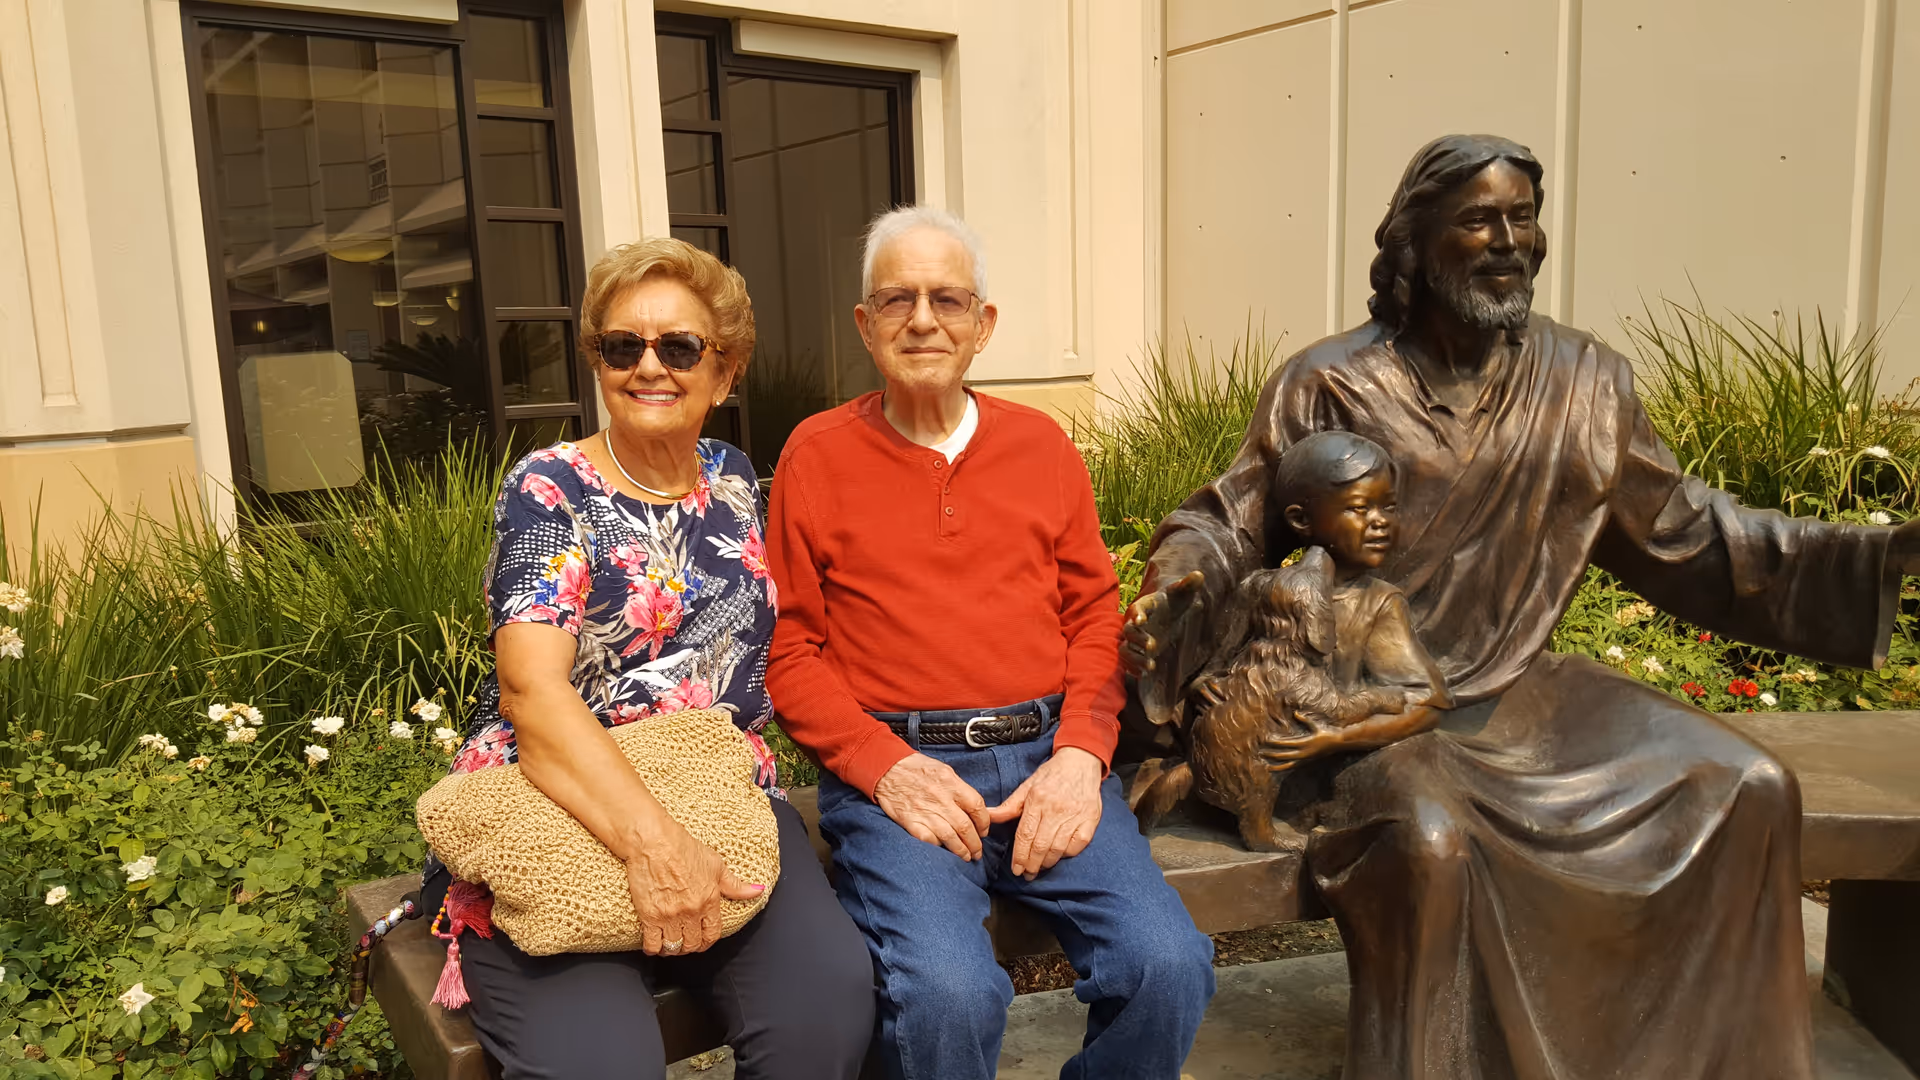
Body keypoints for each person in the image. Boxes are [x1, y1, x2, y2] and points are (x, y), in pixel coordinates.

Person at [1125, 133, 1920, 1080]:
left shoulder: (1586, 382)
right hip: (1375, 709)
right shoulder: (1329, 381)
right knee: (1429, 843)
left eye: (1522, 218)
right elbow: (1233, 517)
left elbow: (1689, 535)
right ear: (1415, 245)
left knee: (1750, 786)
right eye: (1477, 220)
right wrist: (1180, 581)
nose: (1508, 240)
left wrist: (1878, 554)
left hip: (1524, 693)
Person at [765, 206, 1215, 1080]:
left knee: (1167, 964)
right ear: (865, 325)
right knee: (946, 994)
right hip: (904, 774)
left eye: (947, 299)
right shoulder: (816, 456)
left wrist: (1083, 754)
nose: (923, 320)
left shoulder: (1041, 447)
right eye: (897, 299)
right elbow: (789, 651)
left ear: (983, 324)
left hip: (1051, 757)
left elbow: (1092, 618)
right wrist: (882, 765)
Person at [420, 238, 875, 1080]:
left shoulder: (733, 479)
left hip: (720, 800)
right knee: (599, 1066)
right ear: (598, 362)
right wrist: (655, 845)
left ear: (725, 370)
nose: (649, 367)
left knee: (829, 1010)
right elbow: (531, 690)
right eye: (622, 346)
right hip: (561, 804)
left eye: (679, 347)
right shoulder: (549, 489)